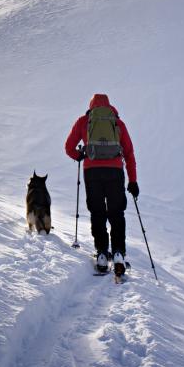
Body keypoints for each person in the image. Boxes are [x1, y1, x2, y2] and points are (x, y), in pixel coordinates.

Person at [64, 93, 138, 274]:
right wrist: (133, 181)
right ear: (109, 106)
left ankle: (102, 254)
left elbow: (68, 147)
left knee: (97, 212)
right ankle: (119, 252)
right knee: (116, 212)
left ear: (91, 106)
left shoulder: (84, 121)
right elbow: (129, 154)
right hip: (115, 173)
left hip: (92, 173)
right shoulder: (117, 123)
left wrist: (79, 155)